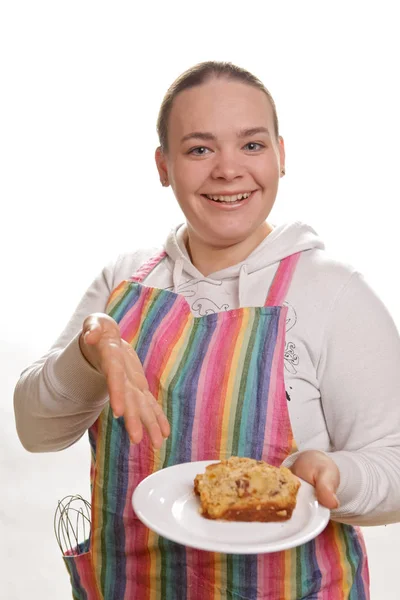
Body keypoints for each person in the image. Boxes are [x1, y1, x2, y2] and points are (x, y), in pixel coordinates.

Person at [14, 61, 400, 600]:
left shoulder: (334, 293)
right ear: (163, 165)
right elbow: (36, 432)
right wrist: (89, 350)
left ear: (281, 155)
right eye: (199, 149)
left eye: (251, 145)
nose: (228, 170)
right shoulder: (124, 282)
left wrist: (338, 475)